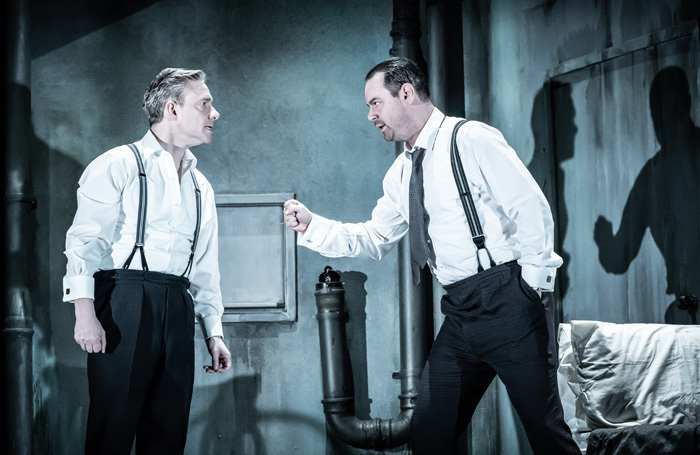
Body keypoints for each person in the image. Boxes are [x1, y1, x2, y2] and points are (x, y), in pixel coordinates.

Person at [283, 57, 579, 454]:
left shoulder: (470, 138)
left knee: (546, 435)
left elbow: (530, 208)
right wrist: (312, 226)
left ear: (405, 93)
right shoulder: (401, 174)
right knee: (428, 433)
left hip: (509, 301)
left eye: (375, 103)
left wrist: (531, 289)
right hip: (459, 312)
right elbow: (374, 238)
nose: (370, 115)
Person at [63, 68, 232, 455]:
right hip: (124, 299)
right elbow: (84, 243)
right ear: (172, 109)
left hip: (177, 303)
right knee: (113, 428)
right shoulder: (117, 164)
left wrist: (214, 332)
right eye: (205, 104)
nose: (215, 113)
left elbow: (205, 266)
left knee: (168, 433)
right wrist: (84, 313)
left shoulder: (199, 185)